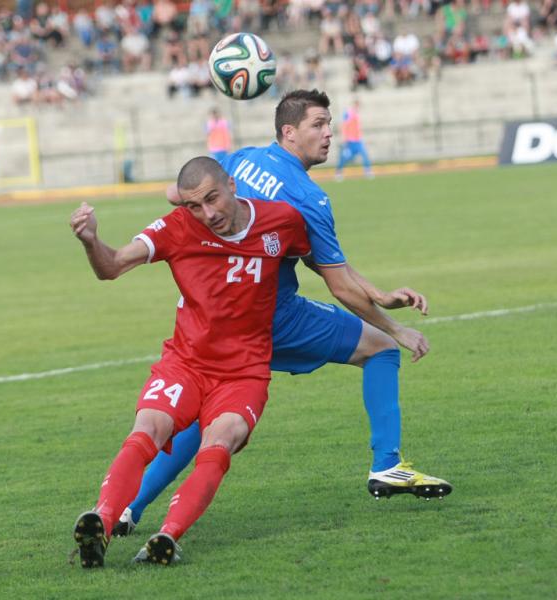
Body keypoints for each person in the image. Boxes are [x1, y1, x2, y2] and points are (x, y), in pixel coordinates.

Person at [112, 89, 452, 538]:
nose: (329, 133)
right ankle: (387, 465)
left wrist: (381, 293)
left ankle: (127, 508)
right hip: (272, 318)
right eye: (318, 124)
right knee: (383, 349)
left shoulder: (243, 159)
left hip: (211, 319)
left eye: (329, 124)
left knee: (204, 413)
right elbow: (338, 285)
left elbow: (175, 193)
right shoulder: (308, 198)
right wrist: (394, 325)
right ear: (289, 132)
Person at [70, 157, 311, 566]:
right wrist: (92, 241)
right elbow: (111, 267)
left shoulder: (282, 221)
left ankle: (167, 536)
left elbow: (329, 266)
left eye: (213, 199)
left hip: (244, 372)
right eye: (195, 206)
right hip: (187, 362)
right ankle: (102, 520)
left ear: (232, 186)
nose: (208, 214)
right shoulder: (177, 228)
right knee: (149, 426)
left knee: (222, 440)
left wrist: (377, 302)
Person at [335, 99, 373, 180]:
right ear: (355, 105)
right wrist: (343, 137)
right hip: (350, 141)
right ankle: (338, 172)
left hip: (358, 140)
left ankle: (368, 171)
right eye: (357, 105)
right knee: (346, 157)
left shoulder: (356, 114)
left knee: (364, 155)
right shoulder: (348, 113)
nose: (358, 107)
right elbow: (343, 125)